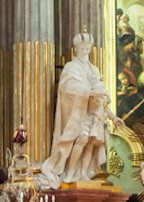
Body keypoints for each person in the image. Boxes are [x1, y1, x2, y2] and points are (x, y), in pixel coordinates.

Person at [38, 31, 116, 188]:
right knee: (81, 138)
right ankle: (71, 172)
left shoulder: (94, 69)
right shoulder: (71, 67)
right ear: (76, 49)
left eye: (88, 47)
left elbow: (102, 97)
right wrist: (90, 92)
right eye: (82, 47)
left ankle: (84, 173)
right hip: (79, 113)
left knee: (90, 142)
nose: (85, 50)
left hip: (95, 114)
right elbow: (68, 88)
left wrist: (113, 117)